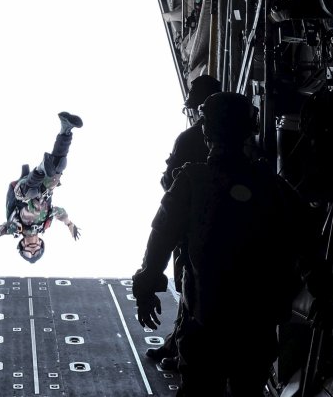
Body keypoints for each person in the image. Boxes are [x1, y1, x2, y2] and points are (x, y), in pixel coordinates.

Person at [131, 92, 309, 397]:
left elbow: (161, 238)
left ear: (206, 131)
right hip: (255, 329)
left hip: (206, 323)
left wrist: (147, 287)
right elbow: (305, 239)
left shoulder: (191, 181)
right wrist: (323, 289)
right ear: (250, 128)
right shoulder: (273, 187)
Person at [148, 74, 222, 371]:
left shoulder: (191, 152)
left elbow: (162, 231)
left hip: (196, 233)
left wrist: (147, 282)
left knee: (192, 289)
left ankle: (181, 349)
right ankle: (177, 342)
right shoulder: (262, 178)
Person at [0, 112, 83, 268]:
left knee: (30, 191)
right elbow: (60, 212)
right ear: (41, 244)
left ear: (22, 245)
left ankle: (41, 170)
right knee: (58, 166)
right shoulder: (45, 224)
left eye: (28, 252)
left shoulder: (14, 228)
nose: (32, 250)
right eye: (36, 252)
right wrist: (70, 225)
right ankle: (66, 128)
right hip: (45, 189)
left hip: (22, 192)